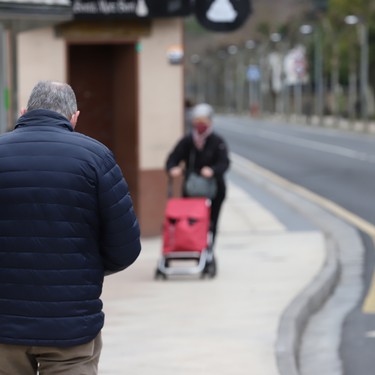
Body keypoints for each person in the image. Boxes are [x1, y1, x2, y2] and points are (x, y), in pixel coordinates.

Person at [0, 80, 141, 374]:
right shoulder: (96, 157)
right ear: (74, 117)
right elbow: (126, 246)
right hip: (71, 324)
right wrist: (85, 270)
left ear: (25, 111)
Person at [166, 103, 230, 244]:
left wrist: (212, 170)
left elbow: (224, 163)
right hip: (192, 189)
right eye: (197, 121)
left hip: (214, 190)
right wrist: (172, 168)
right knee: (192, 221)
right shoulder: (188, 141)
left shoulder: (217, 142)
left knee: (212, 222)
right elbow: (173, 158)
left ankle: (209, 250)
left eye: (204, 121)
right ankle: (193, 245)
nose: (200, 125)